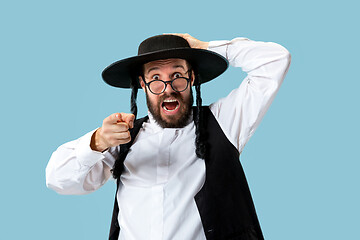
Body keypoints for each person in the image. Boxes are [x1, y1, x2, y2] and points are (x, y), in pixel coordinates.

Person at [46, 33, 291, 240]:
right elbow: (58, 179)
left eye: (177, 75)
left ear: (192, 78)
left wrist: (205, 48)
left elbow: (276, 61)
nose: (168, 89)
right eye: (155, 79)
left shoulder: (224, 122)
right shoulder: (122, 138)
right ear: (142, 85)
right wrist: (97, 141)